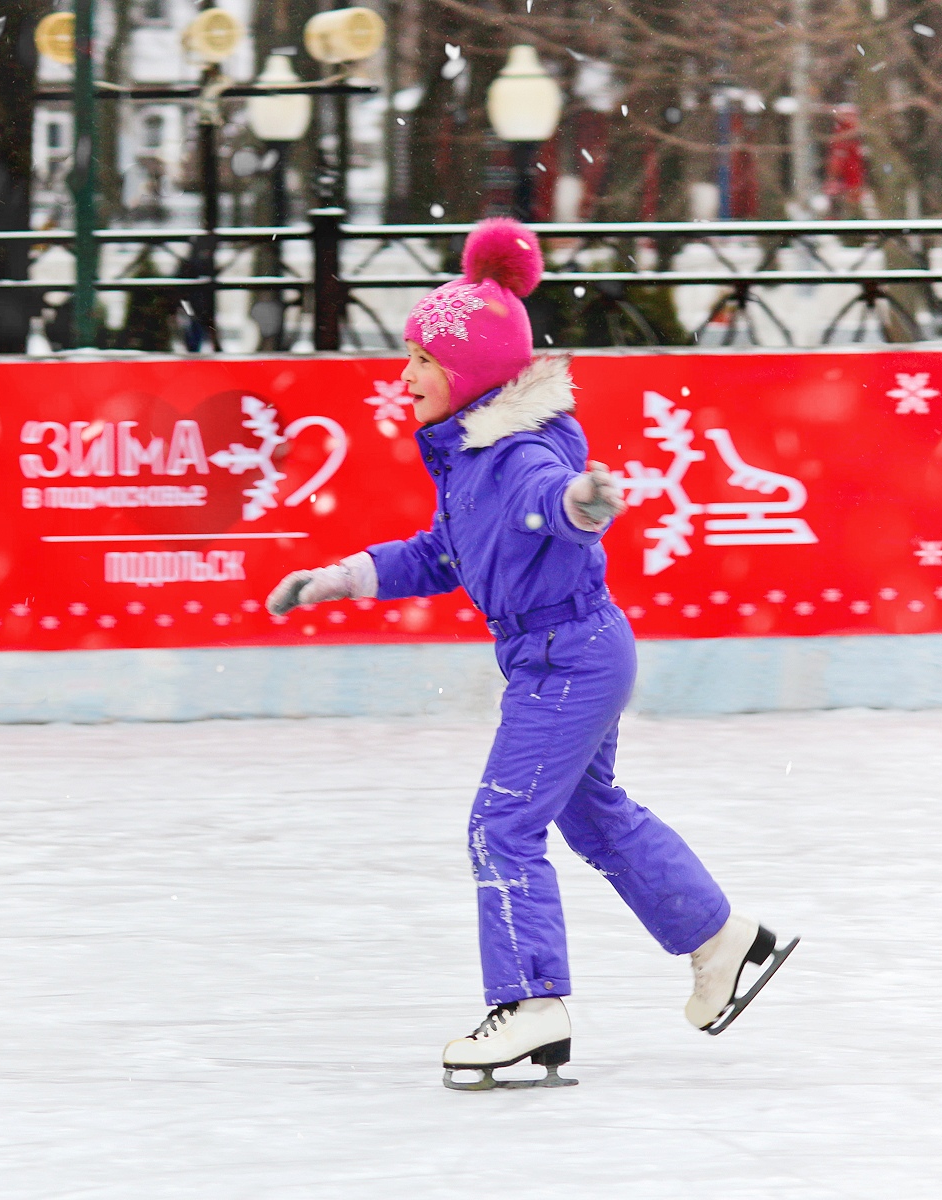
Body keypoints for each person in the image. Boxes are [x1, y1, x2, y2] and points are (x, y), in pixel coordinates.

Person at [266, 218, 796, 1091]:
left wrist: (584, 505)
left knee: (500, 826)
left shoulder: (513, 458)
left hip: (568, 657)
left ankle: (531, 1007)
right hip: (569, 653)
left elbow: (555, 504)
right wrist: (337, 578)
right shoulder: (471, 464)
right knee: (593, 817)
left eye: (423, 362)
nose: (406, 377)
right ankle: (724, 941)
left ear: (469, 372)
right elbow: (442, 553)